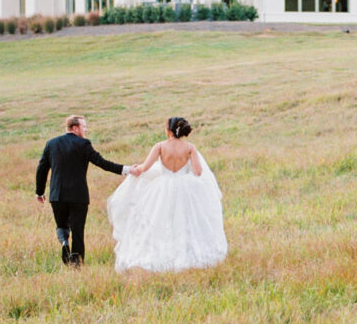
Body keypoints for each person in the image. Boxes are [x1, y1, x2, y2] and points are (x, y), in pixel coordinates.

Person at [107, 117, 227, 273]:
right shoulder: (190, 148)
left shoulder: (160, 146)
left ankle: (163, 252)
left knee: (161, 218)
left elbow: (145, 167)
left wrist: (137, 168)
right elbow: (198, 172)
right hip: (185, 188)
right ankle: (184, 252)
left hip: (163, 187)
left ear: (168, 130)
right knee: (185, 220)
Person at [36, 115, 138, 267]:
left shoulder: (51, 143)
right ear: (75, 128)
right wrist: (127, 170)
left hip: (57, 195)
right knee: (78, 230)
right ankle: (76, 263)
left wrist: (40, 192)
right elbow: (101, 162)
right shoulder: (83, 144)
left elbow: (42, 169)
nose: (86, 129)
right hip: (78, 196)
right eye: (84, 127)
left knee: (62, 225)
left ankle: (64, 242)